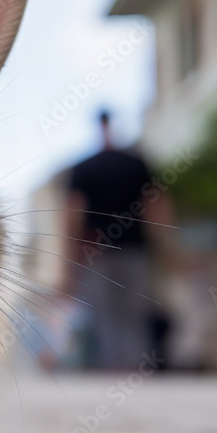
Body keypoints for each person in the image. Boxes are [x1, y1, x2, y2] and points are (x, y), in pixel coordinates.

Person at [63, 110, 169, 370]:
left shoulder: (85, 167)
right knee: (135, 311)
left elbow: (73, 214)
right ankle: (136, 368)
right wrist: (165, 247)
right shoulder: (135, 163)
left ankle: (116, 369)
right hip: (133, 249)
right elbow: (155, 205)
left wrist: (70, 259)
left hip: (99, 251)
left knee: (107, 314)